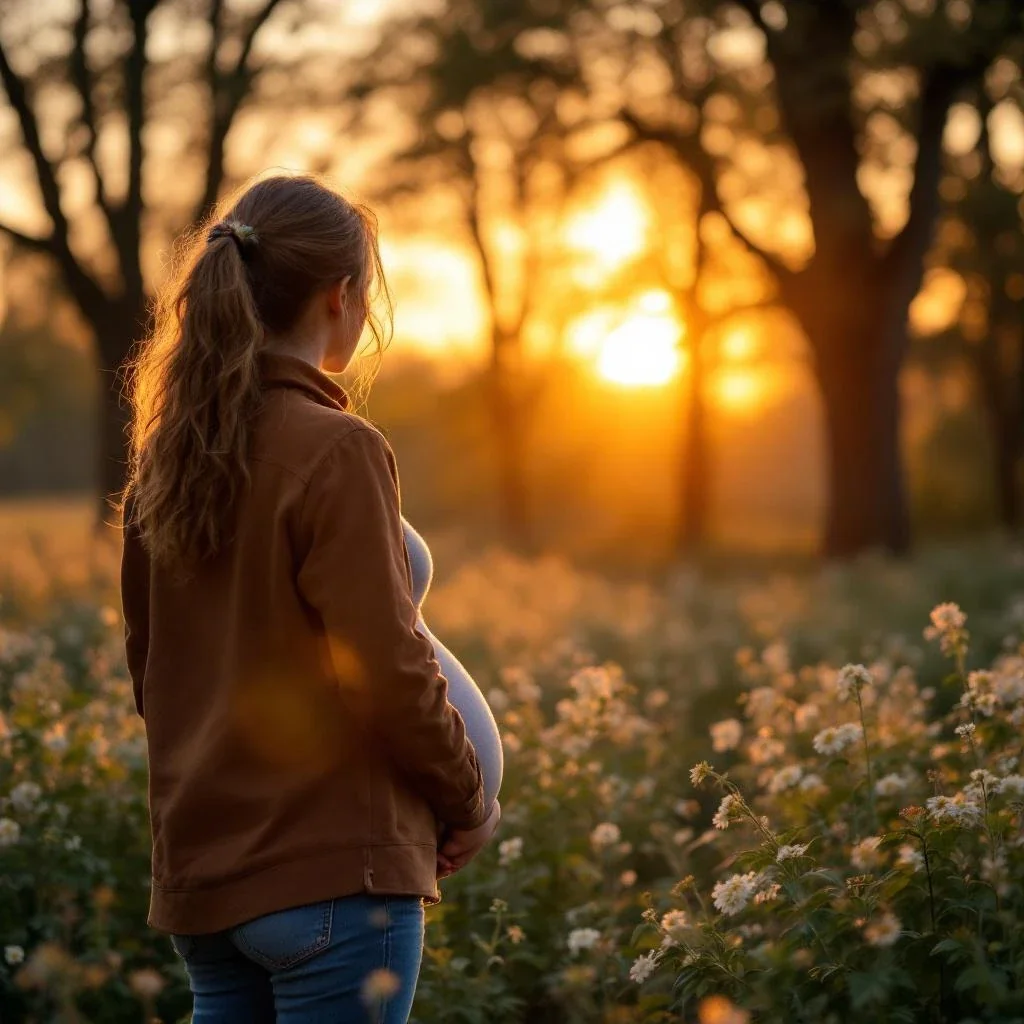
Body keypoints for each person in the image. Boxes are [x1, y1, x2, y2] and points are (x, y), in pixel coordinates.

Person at [117, 171, 502, 1023]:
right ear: (340, 297)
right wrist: (469, 797)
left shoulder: (168, 463)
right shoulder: (338, 448)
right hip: (334, 881)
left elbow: (155, 676)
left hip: (208, 886)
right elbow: (387, 669)